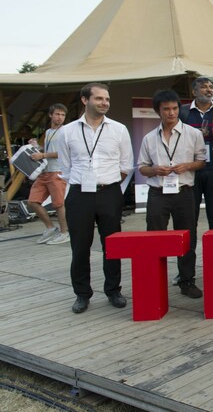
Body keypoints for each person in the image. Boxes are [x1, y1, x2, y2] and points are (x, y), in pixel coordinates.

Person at [58, 83, 133, 314]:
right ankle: (82, 294)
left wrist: (109, 185)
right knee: (80, 247)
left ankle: (113, 290)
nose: (105, 103)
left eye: (107, 99)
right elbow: (65, 167)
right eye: (99, 98)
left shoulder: (119, 129)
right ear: (85, 100)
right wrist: (84, 183)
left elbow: (126, 166)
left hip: (109, 192)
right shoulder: (67, 131)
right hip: (80, 193)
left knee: (112, 245)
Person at [138, 90, 207, 298]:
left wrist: (187, 165)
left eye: (175, 108)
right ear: (158, 111)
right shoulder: (149, 138)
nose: (171, 113)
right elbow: (142, 167)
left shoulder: (193, 134)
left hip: (184, 192)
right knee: (155, 238)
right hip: (158, 192)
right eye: (166, 109)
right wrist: (155, 170)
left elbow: (202, 161)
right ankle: (154, 280)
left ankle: (187, 281)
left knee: (187, 237)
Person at [179, 77, 213, 232]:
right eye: (204, 87)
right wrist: (193, 135)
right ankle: (189, 255)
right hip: (191, 170)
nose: (209, 90)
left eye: (211, 87)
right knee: (189, 217)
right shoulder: (183, 112)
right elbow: (175, 138)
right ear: (194, 91)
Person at [28, 103, 70, 245]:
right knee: (33, 202)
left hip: (57, 171)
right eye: (57, 114)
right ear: (50, 115)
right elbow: (47, 150)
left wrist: (43, 154)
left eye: (63, 115)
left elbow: (65, 153)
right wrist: (37, 147)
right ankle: (51, 228)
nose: (60, 117)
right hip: (45, 172)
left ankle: (64, 233)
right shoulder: (48, 132)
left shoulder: (65, 131)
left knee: (58, 204)